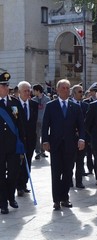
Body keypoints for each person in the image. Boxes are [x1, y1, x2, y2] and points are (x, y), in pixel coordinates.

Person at [42, 79, 85, 210]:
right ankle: (56, 200)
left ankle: (65, 197)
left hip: (70, 145)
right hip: (55, 145)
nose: (66, 90)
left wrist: (82, 139)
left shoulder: (75, 107)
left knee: (67, 172)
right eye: (63, 88)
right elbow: (45, 125)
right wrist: (45, 141)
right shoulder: (51, 106)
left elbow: (81, 126)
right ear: (57, 89)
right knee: (56, 173)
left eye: (68, 88)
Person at [0, 72, 25, 214]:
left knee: (14, 173)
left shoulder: (14, 103)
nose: (6, 87)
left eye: (7, 85)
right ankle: (3, 202)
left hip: (13, 145)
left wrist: (22, 142)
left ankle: (11, 197)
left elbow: (20, 124)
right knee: (1, 175)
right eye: (3, 85)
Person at [16, 81, 38, 197]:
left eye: (29, 90)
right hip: (19, 140)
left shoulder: (33, 104)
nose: (27, 92)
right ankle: (18, 185)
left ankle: (24, 183)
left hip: (31, 139)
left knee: (27, 162)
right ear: (19, 92)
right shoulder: (14, 105)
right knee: (18, 162)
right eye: (25, 90)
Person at [70, 84, 89, 189]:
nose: (82, 94)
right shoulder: (69, 105)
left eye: (82, 92)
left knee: (80, 161)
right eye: (80, 92)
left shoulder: (85, 106)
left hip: (82, 137)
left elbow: (87, 121)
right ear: (74, 93)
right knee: (70, 161)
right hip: (71, 138)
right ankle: (69, 181)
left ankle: (79, 182)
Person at [83, 82, 97, 175]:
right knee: (89, 153)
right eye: (94, 91)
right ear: (91, 92)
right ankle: (90, 168)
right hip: (88, 132)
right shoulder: (86, 102)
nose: (96, 92)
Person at [32, 84, 51, 160]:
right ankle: (37, 152)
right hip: (36, 121)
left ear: (37, 91)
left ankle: (43, 151)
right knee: (37, 137)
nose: (33, 92)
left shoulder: (47, 99)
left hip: (44, 120)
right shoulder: (33, 100)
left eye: (34, 90)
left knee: (44, 136)